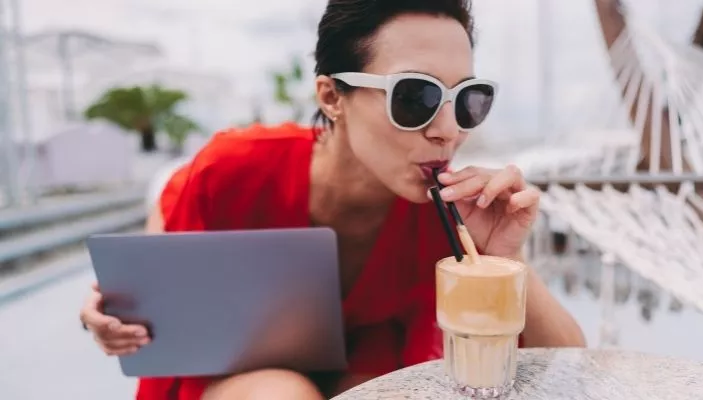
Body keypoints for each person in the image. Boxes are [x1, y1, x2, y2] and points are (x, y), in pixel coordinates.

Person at [79, 0, 586, 399]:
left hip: (366, 366)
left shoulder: (450, 213)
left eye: (468, 100)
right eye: (415, 97)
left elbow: (570, 369)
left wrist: (503, 259)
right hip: (239, 377)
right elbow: (168, 218)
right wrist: (107, 313)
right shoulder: (236, 167)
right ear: (331, 97)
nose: (449, 132)